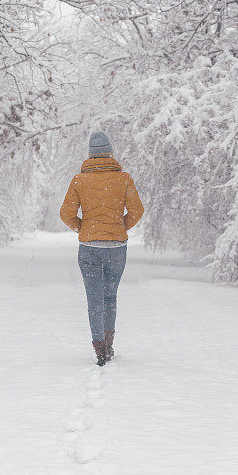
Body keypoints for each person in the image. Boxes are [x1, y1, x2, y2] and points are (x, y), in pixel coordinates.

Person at [60, 131, 144, 366]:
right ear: (110, 153)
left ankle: (99, 349)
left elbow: (66, 213)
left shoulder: (79, 180)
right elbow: (137, 211)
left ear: (90, 154)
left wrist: (83, 228)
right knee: (110, 296)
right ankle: (109, 344)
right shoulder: (124, 179)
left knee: (94, 298)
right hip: (117, 247)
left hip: (89, 248)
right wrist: (118, 227)